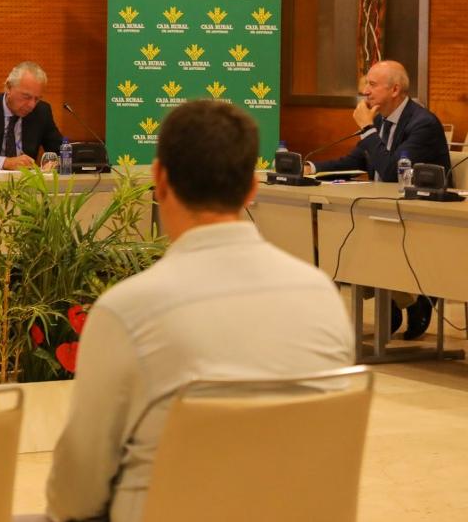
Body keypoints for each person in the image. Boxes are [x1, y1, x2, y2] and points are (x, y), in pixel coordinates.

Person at [45, 100, 353, 522]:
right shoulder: (322, 295)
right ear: (251, 188)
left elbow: (74, 496)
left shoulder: (127, 310)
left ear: (159, 180)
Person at [306, 59, 451, 339]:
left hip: (424, 214)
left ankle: (404, 298)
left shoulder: (423, 124)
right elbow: (355, 160)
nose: (366, 92)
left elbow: (393, 171)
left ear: (395, 89)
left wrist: (367, 129)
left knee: (365, 232)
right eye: (366, 85)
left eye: (372, 85)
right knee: (345, 231)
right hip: (384, 209)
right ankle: (403, 299)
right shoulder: (382, 120)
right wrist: (310, 168)